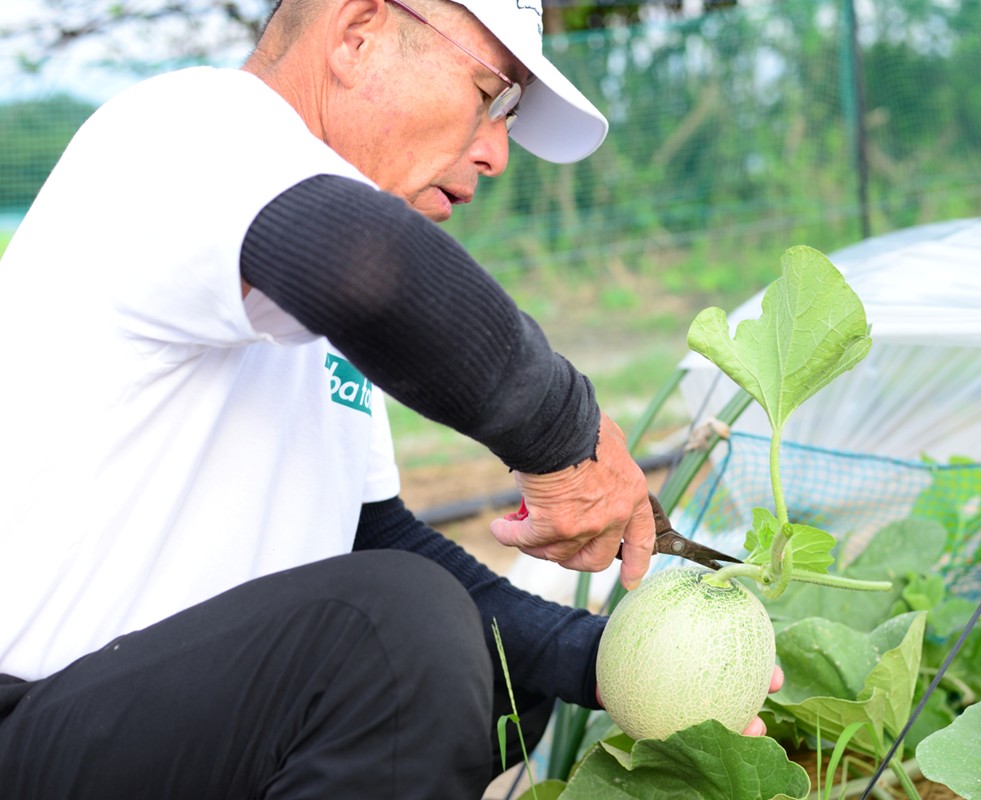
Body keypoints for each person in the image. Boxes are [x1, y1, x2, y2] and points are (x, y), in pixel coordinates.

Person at [0, 0, 781, 797]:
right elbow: (372, 270)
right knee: (397, 634)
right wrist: (567, 439)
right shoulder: (185, 132)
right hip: (28, 728)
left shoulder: (298, 288)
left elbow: (370, 539)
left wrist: (610, 660)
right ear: (357, 32)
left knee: (502, 672)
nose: (498, 154)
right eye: (490, 95)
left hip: (158, 724)